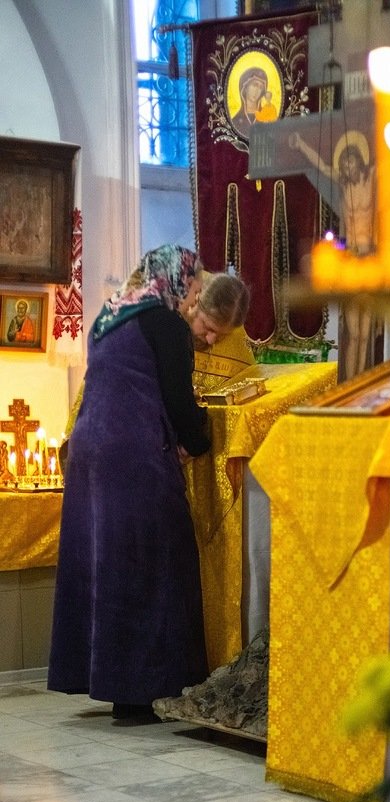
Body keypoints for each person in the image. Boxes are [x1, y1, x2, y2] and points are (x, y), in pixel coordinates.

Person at [48, 245, 210, 721]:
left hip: (91, 450)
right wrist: (199, 439)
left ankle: (109, 681)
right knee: (155, 560)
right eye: (194, 289)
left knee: (106, 562)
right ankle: (144, 690)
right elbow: (179, 401)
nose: (193, 300)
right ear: (176, 280)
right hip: (134, 450)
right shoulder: (165, 323)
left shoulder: (109, 316)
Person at [288, 131, 378, 379]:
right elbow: (322, 166)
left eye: (351, 163)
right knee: (353, 332)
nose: (347, 169)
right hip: (350, 261)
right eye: (344, 165)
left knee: (364, 333)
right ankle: (350, 383)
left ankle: (361, 381)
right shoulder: (343, 184)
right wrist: (301, 144)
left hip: (369, 261)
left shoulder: (371, 178)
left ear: (359, 162)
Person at [184, 270, 255, 395]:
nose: (211, 340)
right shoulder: (165, 319)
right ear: (195, 301)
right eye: (208, 327)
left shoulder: (236, 335)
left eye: (223, 335)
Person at [231, 66, 269, 138]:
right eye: (254, 85)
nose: (257, 90)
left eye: (260, 87)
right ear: (245, 88)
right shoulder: (235, 122)